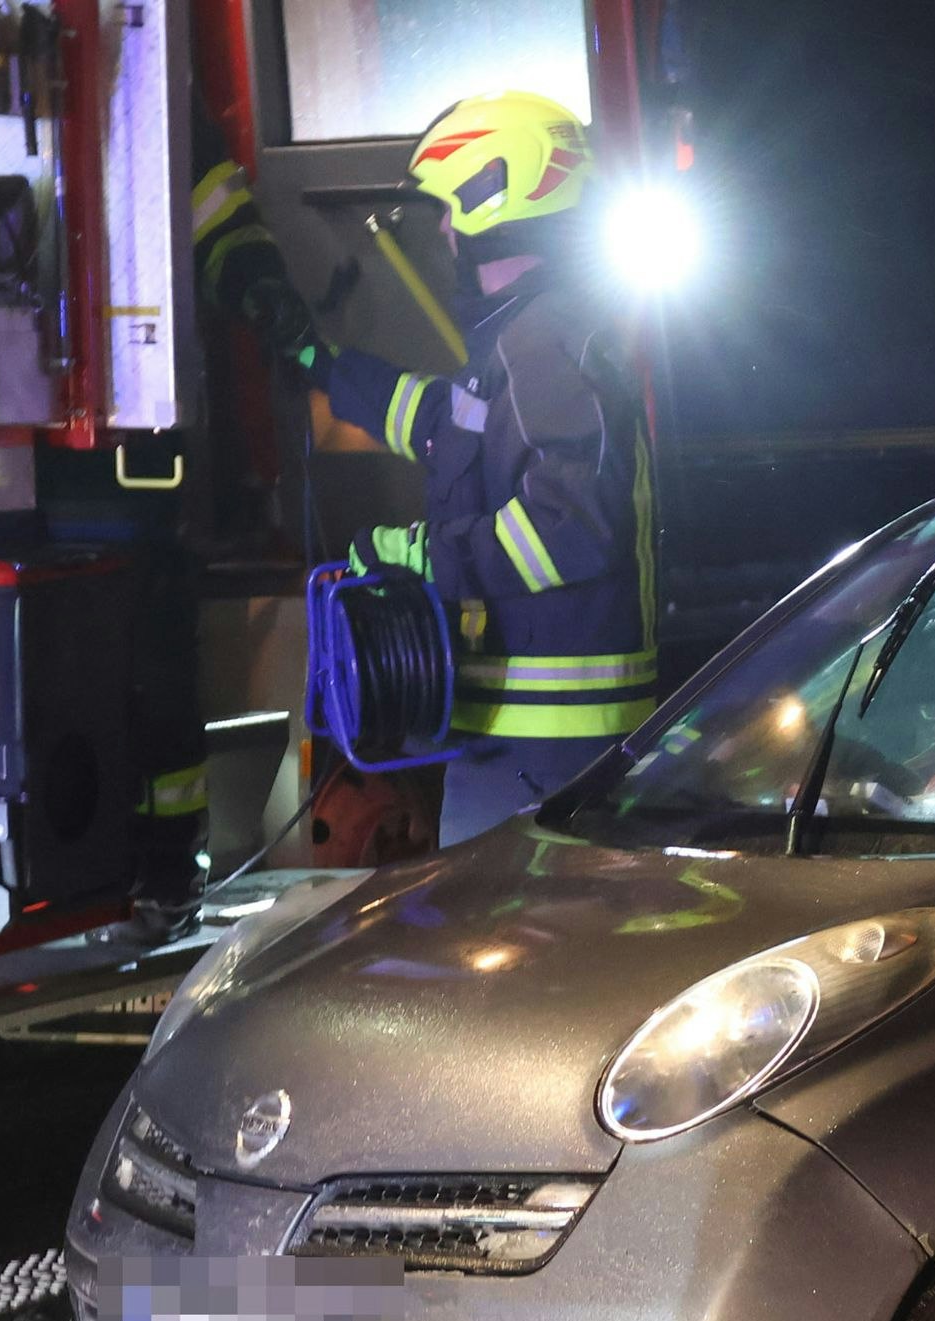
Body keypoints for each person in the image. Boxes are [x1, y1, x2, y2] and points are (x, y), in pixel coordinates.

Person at [192, 92, 659, 845]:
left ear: (494, 201)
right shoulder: (526, 338)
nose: (442, 230)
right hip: (522, 747)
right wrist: (322, 363)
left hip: (546, 754)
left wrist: (418, 555)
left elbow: (568, 530)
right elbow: (443, 424)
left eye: (449, 209)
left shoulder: (546, 344)